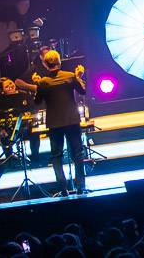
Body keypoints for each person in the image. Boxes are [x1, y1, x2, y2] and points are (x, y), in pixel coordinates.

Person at [32, 50, 87, 195]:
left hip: (54, 123)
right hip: (72, 120)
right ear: (59, 61)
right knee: (78, 154)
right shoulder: (70, 76)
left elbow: (37, 102)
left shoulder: (43, 82)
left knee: (56, 156)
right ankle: (81, 187)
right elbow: (83, 91)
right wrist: (79, 77)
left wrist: (37, 85)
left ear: (45, 64)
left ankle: (63, 189)